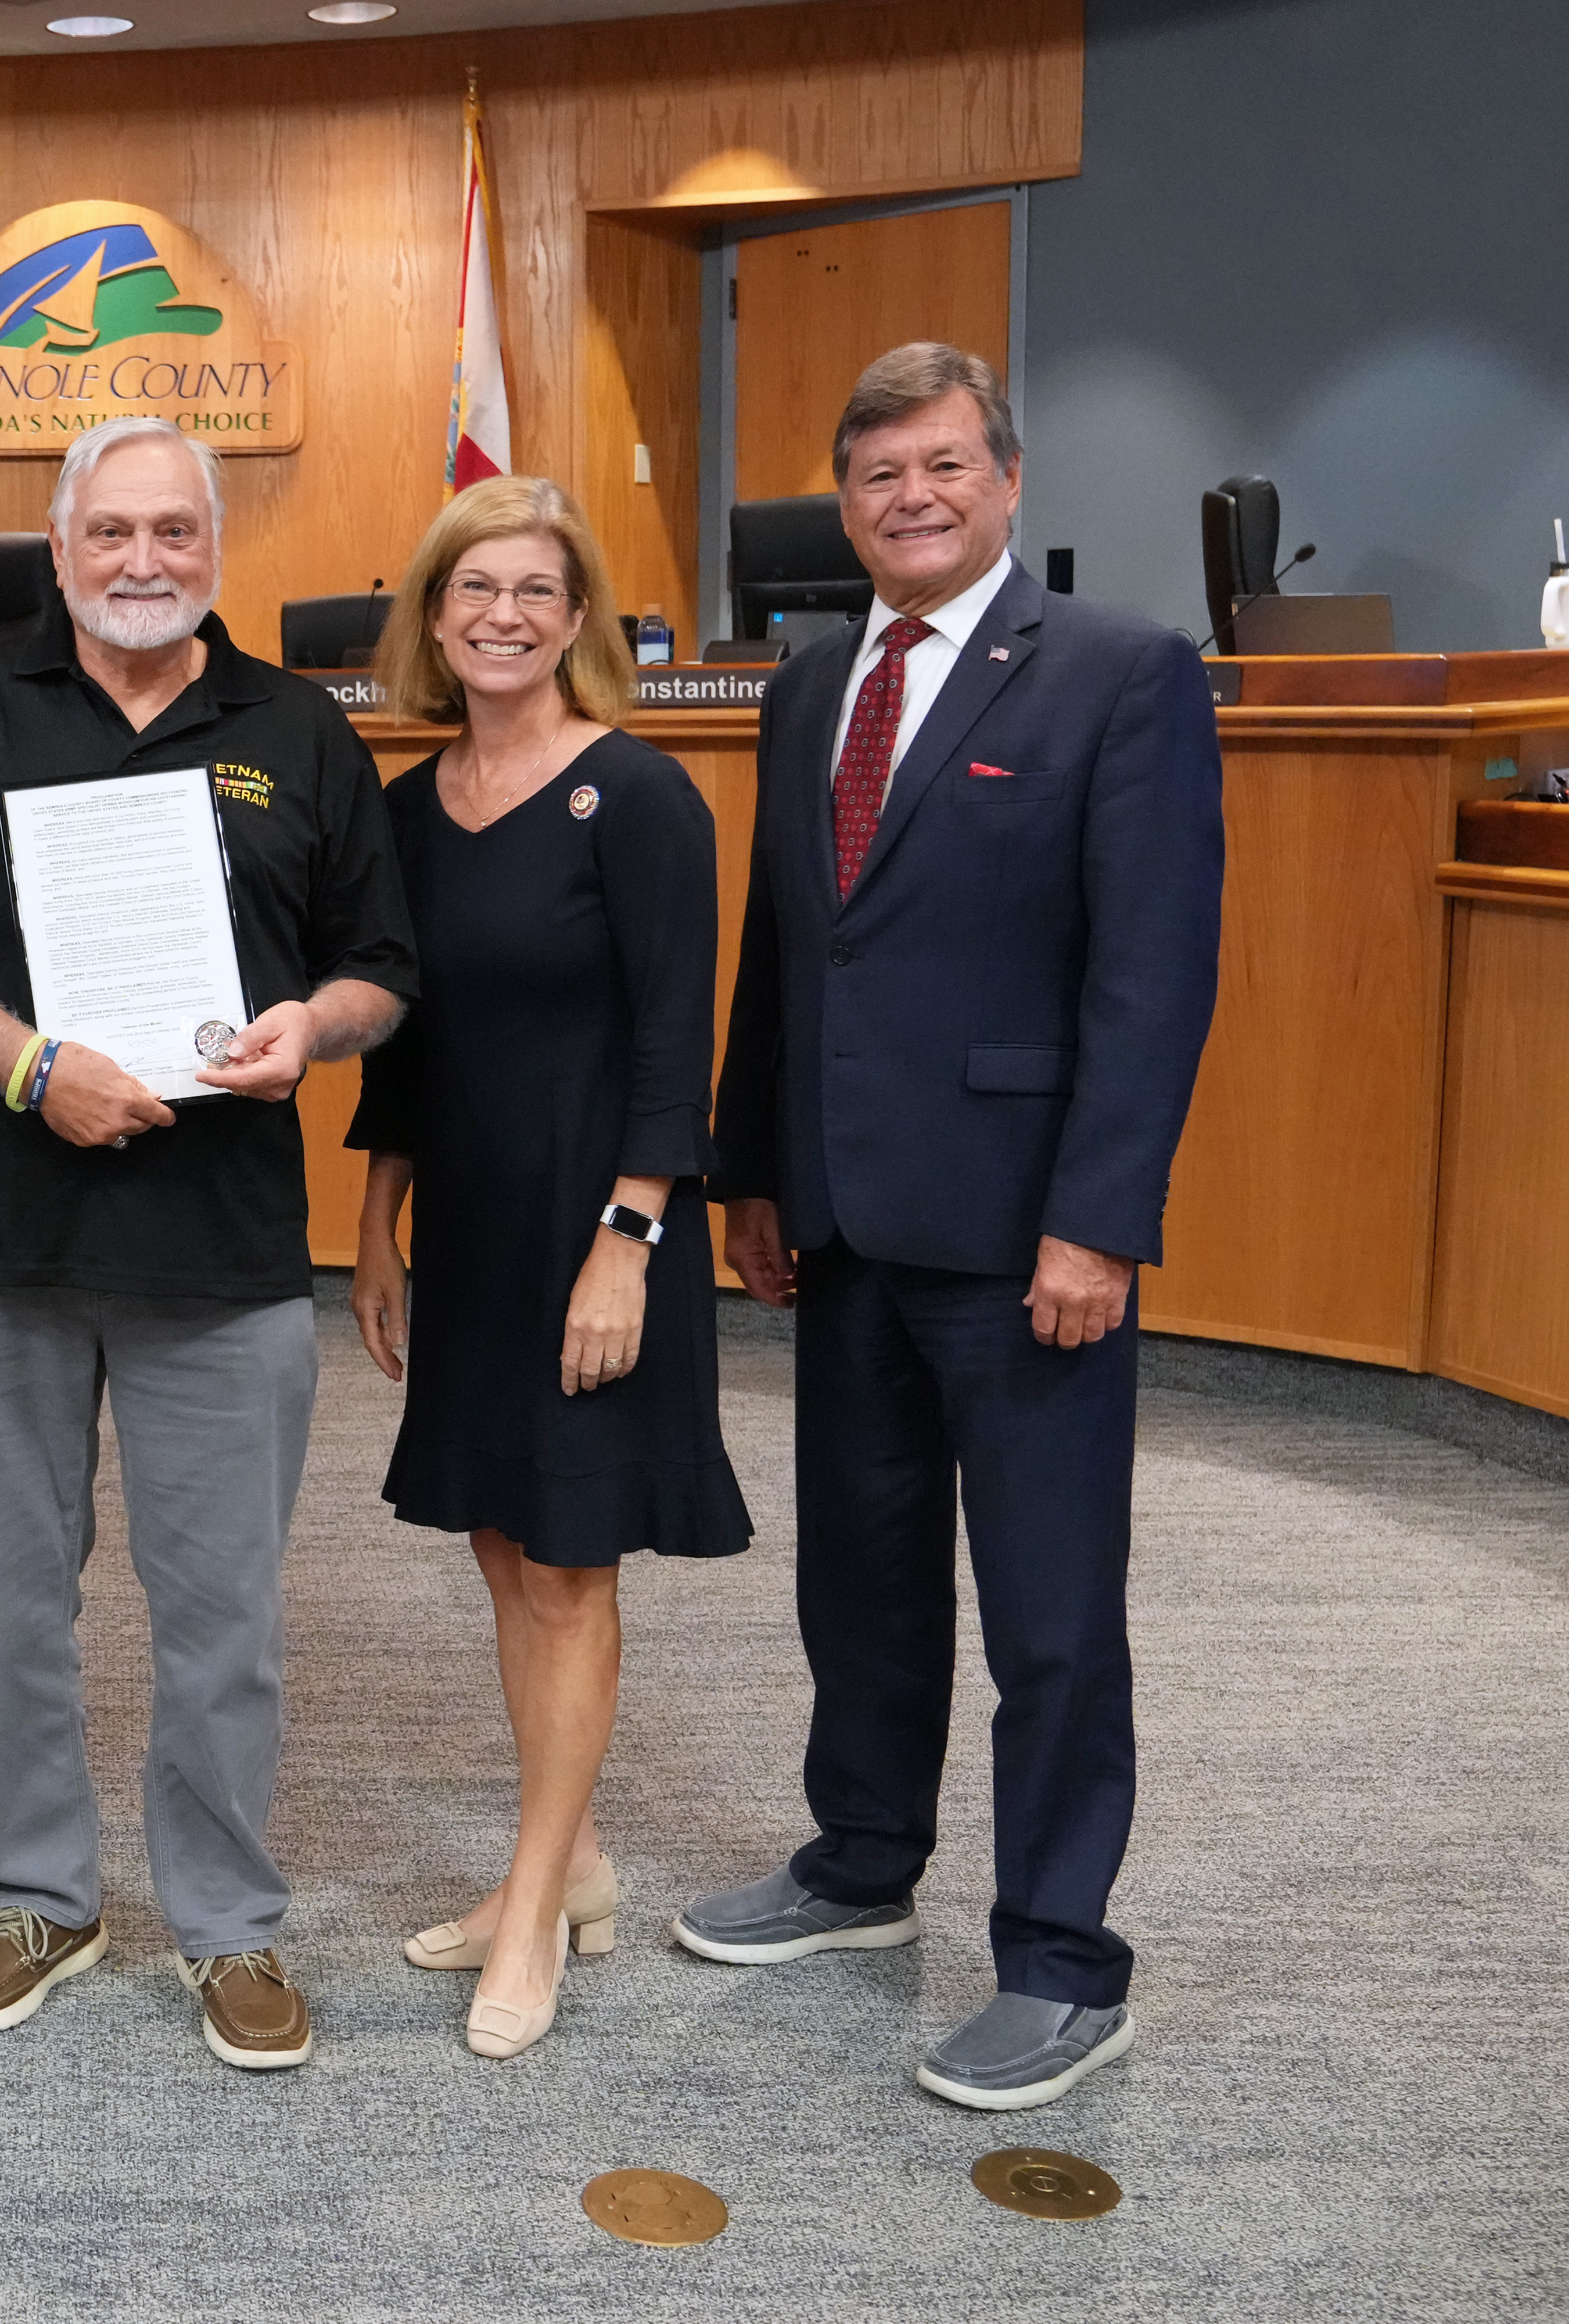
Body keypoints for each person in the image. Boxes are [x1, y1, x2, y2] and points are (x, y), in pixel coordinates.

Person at [685, 342, 1223, 2112]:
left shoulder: (1120, 675)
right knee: (862, 1572)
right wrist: (752, 1170)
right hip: (841, 1223)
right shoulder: (810, 680)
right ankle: (860, 1858)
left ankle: (1067, 1959)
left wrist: (1100, 1224)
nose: (908, 499)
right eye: (875, 476)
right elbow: (787, 953)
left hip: (1024, 1243)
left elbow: (1151, 978)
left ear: (1006, 479)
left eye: (938, 467)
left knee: (1053, 1612)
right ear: (842, 503)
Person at [0, 415, 417, 2072]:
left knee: (223, 1615)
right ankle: (40, 1894)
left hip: (225, 1254)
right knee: (11, 1605)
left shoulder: (299, 727)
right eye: (111, 533)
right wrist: (32, 1066)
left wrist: (310, 1027)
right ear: (58, 551)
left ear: (216, 551)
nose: (142, 561)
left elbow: (384, 961)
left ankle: (229, 1926)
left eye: (174, 532)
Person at [344, 476, 751, 2060]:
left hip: (599, 1232)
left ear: (579, 621)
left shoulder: (639, 797)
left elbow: (674, 1044)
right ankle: (567, 1861)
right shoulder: (403, 808)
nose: (503, 616)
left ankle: (533, 1910)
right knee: (505, 1552)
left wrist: (631, 1243)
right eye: (474, 591)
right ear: (434, 618)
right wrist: (377, 1227)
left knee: (573, 1564)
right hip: (471, 1235)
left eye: (536, 592)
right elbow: (400, 1037)